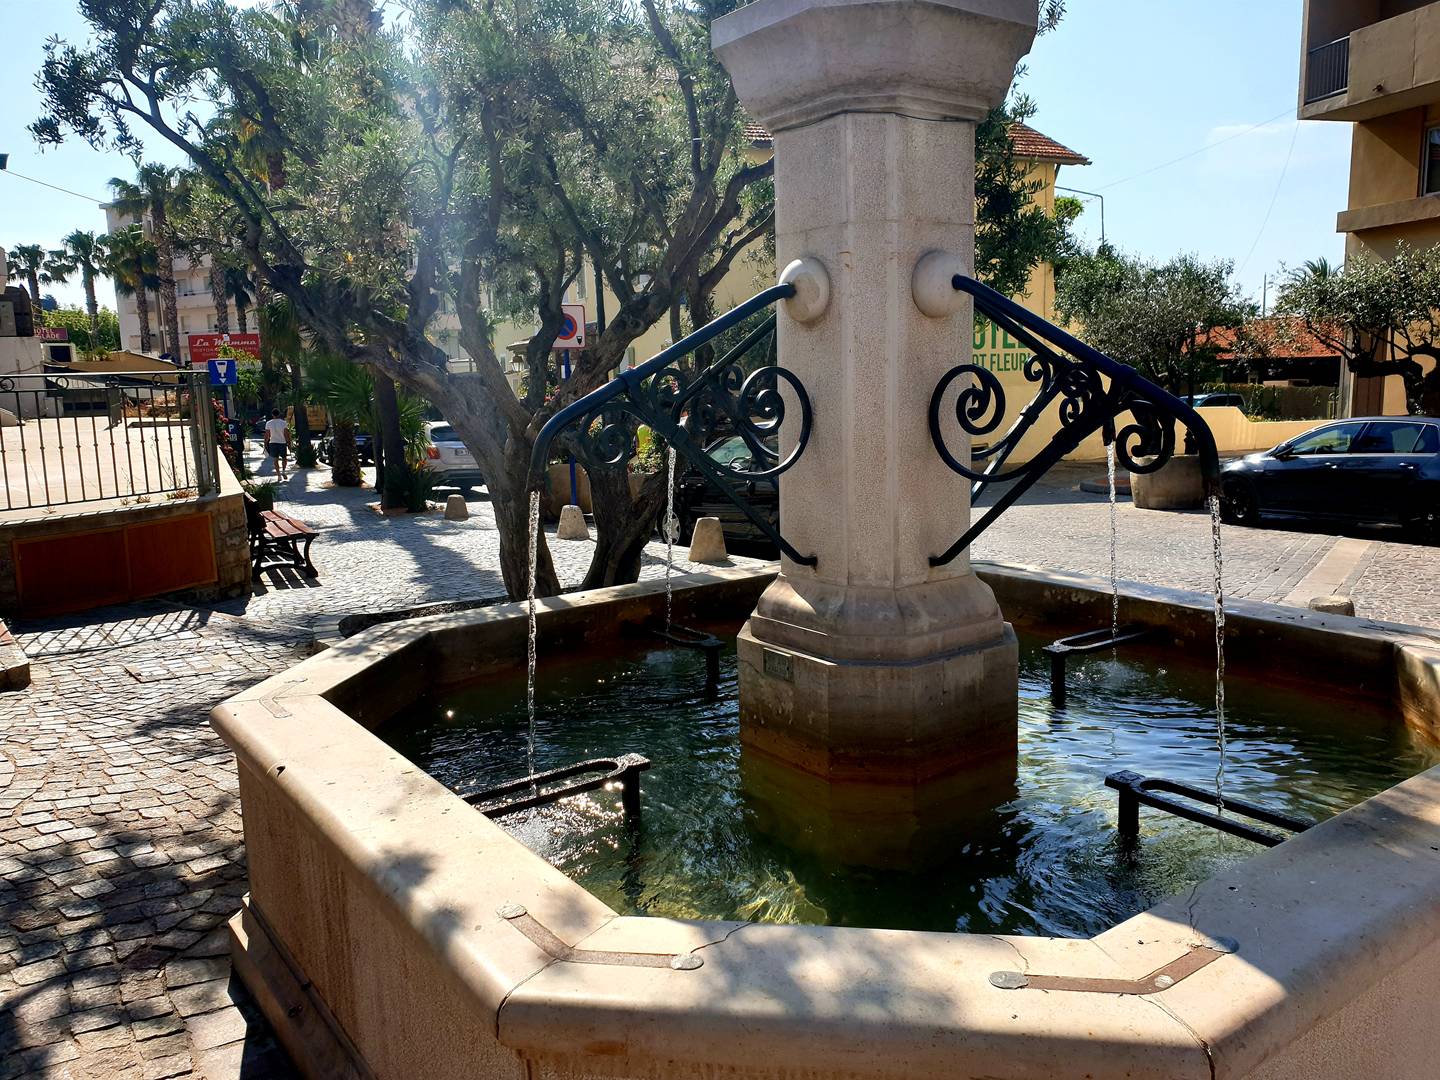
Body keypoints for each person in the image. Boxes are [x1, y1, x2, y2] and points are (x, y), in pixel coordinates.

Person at [263, 409, 290, 480]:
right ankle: (283, 471)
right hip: (282, 442)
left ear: (272, 414)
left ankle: (279, 475)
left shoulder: (268, 423)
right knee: (284, 458)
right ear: (279, 414)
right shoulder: (283, 423)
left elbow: (267, 435)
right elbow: (286, 434)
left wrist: (265, 443)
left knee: (275, 459)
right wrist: (289, 442)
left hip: (273, 443)